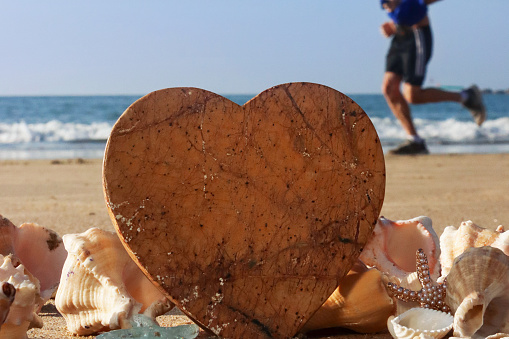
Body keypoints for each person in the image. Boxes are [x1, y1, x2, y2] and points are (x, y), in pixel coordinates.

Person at [380, 0, 486, 155]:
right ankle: (415, 140)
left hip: (417, 36)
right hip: (399, 36)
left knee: (412, 95)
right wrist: (392, 23)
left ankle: (467, 96)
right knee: (389, 88)